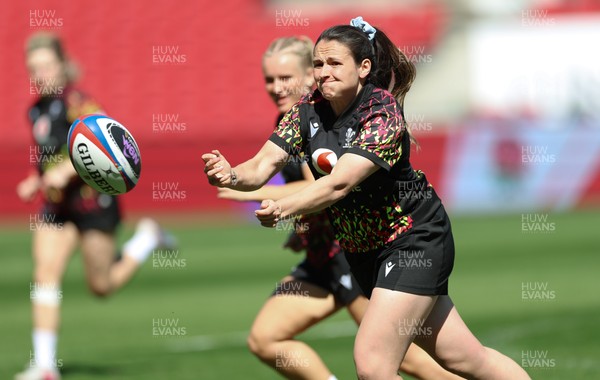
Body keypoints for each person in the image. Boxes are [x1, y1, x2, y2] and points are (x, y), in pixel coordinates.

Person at [203, 18, 531, 380]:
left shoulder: (381, 112)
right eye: (318, 64)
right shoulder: (307, 110)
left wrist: (283, 207)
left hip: (412, 240)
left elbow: (339, 185)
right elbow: (263, 163)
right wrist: (232, 173)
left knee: (373, 365)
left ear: (364, 68)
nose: (323, 72)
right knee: (466, 360)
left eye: (334, 63)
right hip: (364, 252)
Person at [15, 32, 172, 380]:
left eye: (46, 65)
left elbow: (106, 146)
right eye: (33, 68)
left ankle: (147, 237)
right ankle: (44, 365)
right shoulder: (36, 109)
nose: (40, 74)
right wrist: (35, 177)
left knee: (101, 287)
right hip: (57, 208)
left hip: (92, 203)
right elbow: (45, 156)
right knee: (45, 273)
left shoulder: (79, 102)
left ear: (62, 65)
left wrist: (67, 169)